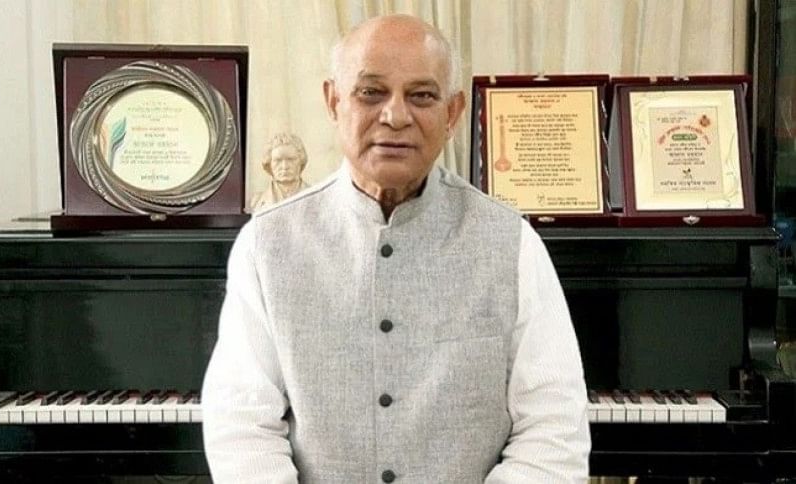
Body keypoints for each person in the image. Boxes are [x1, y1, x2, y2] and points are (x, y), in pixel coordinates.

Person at [202, 14, 590, 483]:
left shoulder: (513, 244)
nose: (396, 115)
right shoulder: (267, 244)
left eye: (422, 95)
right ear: (334, 101)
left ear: (452, 113)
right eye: (371, 92)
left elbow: (553, 426)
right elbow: (242, 425)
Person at [249, 132, 311, 212]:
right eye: (278, 160)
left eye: (291, 159)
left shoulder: (316, 196)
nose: (284, 167)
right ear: (269, 164)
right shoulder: (255, 202)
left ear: (301, 161)